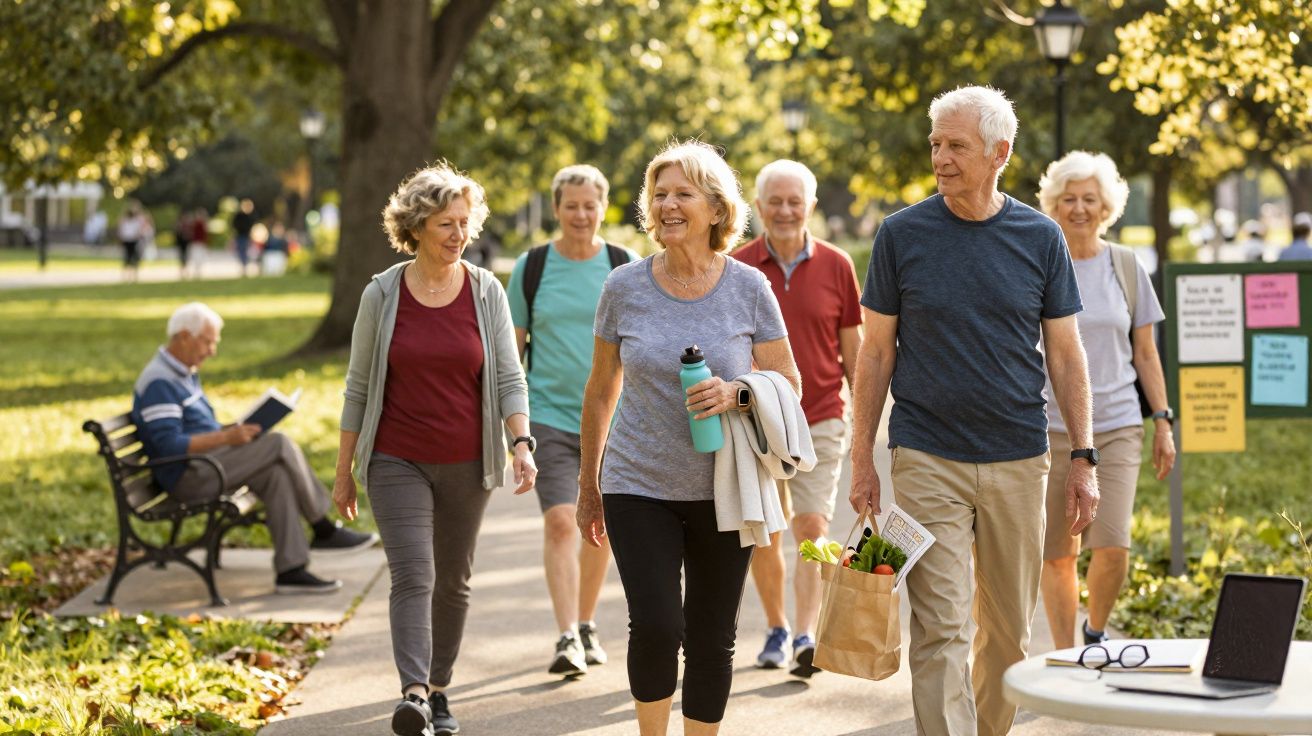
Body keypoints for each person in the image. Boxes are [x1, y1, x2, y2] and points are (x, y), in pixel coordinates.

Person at [849, 86, 1097, 736]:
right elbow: (874, 355)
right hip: (926, 455)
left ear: (998, 153)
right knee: (940, 627)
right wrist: (861, 459)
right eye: (936, 144)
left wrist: (1084, 456)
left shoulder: (1040, 237)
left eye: (955, 145)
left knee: (1009, 636)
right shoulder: (901, 234)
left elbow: (1067, 356)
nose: (941, 156)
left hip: (1019, 458)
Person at [576, 141, 801, 736]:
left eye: (683, 193)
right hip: (636, 481)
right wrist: (588, 485)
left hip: (724, 485)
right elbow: (601, 390)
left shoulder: (749, 287)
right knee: (655, 624)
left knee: (711, 633)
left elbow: (788, 379)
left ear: (716, 208)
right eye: (660, 193)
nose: (668, 204)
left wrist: (736, 393)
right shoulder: (623, 286)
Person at [333, 163, 536, 736]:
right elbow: (358, 387)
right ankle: (415, 693)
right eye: (446, 223)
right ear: (417, 226)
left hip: (468, 462)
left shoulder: (485, 290)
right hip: (396, 458)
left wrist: (520, 442)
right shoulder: (382, 293)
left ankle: (440, 689)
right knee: (414, 575)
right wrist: (345, 470)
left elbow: (507, 378)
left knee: (453, 581)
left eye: (464, 224)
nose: (458, 234)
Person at [130, 302, 377, 593]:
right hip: (189, 477)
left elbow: (194, 429)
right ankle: (322, 527)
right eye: (208, 342)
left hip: (207, 464)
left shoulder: (182, 373)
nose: (212, 350)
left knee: (275, 474)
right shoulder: (160, 381)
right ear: (184, 336)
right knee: (278, 443)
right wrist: (226, 439)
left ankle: (291, 569)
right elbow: (169, 445)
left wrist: (234, 428)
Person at [1035, 151, 1176, 650]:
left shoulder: (1126, 265)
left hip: (1116, 424)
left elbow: (1146, 353)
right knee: (1059, 553)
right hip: (1049, 428)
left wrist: (1162, 420)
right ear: (1054, 204)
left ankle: (1094, 632)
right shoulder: (1039, 262)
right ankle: (1065, 653)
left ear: (1106, 206)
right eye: (1068, 198)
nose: (1078, 208)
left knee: (1113, 545)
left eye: (1089, 199)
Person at [731, 159, 863, 677]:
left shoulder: (837, 265)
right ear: (759, 207)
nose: (785, 211)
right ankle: (778, 627)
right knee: (764, 530)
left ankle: (808, 633)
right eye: (775, 202)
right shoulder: (737, 267)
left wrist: (867, 425)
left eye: (795, 202)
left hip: (821, 415)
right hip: (754, 421)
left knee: (812, 525)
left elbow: (855, 353)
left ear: (810, 206)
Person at [507, 165, 637, 678]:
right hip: (550, 418)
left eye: (590, 206)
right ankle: (566, 635)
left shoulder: (623, 266)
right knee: (562, 520)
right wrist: (512, 426)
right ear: (557, 208)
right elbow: (511, 351)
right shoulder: (532, 267)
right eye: (571, 206)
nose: (580, 215)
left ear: (603, 208)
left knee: (597, 528)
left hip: (612, 420)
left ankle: (586, 624)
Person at [117, 202, 148, 282]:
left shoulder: (137, 220)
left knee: (134, 258)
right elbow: (120, 228)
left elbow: (144, 224)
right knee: (127, 258)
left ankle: (133, 275)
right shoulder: (125, 220)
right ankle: (126, 275)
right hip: (127, 240)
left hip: (134, 240)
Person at [233, 199, 257, 277]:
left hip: (246, 236)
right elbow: (235, 225)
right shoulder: (239, 216)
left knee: (246, 252)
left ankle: (245, 267)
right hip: (240, 236)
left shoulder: (250, 217)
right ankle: (243, 266)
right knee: (241, 252)